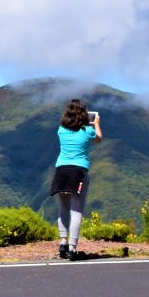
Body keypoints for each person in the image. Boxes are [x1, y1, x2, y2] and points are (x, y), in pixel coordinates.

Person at [50, 98, 102, 261]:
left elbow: (67, 127)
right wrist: (96, 123)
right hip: (78, 173)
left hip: (61, 171)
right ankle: (73, 249)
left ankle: (63, 244)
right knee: (76, 210)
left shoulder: (61, 130)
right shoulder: (88, 131)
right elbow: (99, 137)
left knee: (63, 208)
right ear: (84, 115)